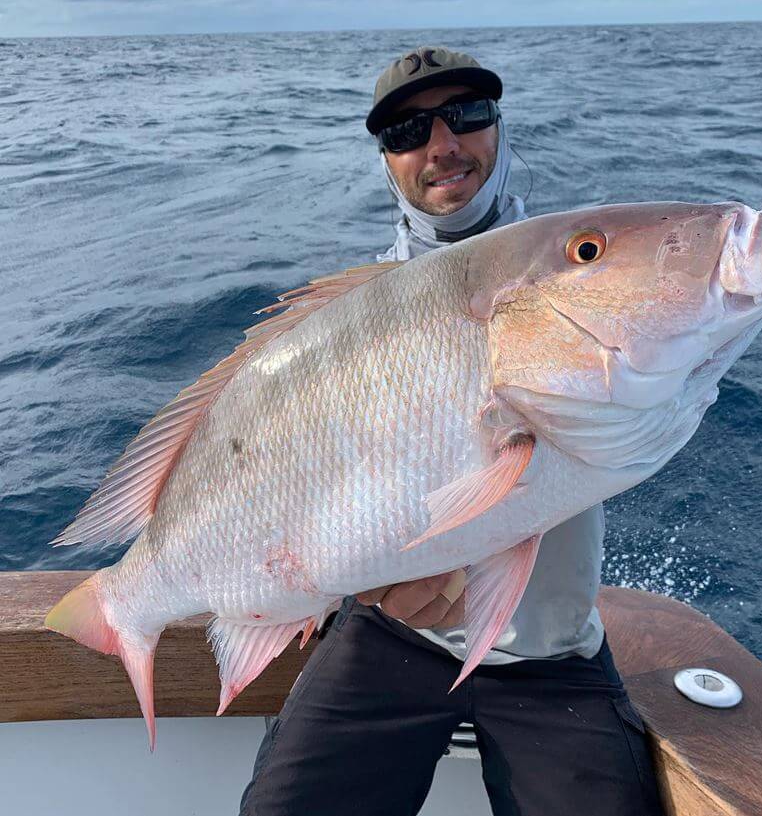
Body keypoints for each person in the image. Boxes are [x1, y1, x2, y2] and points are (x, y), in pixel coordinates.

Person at [239, 46, 664, 816]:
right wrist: (350, 576)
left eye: (466, 115)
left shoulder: (582, 274)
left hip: (550, 651)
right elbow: (319, 486)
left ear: (499, 130)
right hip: (390, 636)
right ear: (386, 160)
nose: (441, 146)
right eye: (406, 131)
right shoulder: (350, 320)